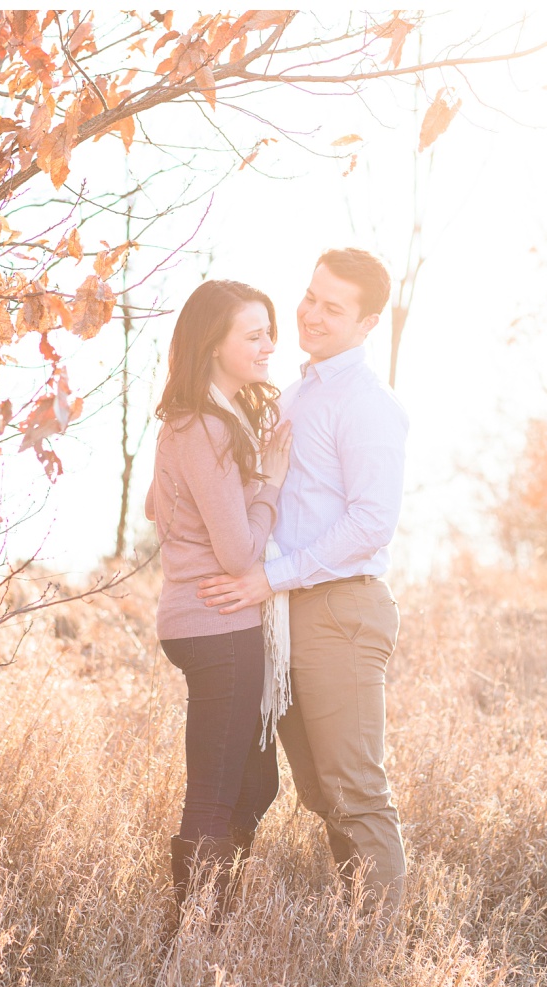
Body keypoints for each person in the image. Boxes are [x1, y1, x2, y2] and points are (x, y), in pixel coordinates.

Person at [195, 248, 411, 911]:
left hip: (339, 609)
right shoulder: (292, 395)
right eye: (311, 296)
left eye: (333, 307)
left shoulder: (367, 404)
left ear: (368, 323)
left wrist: (271, 578)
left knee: (355, 792)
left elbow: (372, 524)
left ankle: (375, 956)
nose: (311, 314)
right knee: (322, 792)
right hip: (287, 611)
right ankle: (353, 933)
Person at [145, 279, 293, 933]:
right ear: (215, 343)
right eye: (252, 334)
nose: (268, 345)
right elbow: (238, 553)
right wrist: (269, 481)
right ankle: (193, 938)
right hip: (217, 623)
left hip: (207, 621)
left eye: (270, 331)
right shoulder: (205, 425)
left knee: (256, 783)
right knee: (213, 792)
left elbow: (159, 508)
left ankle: (212, 920)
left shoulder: (199, 420)